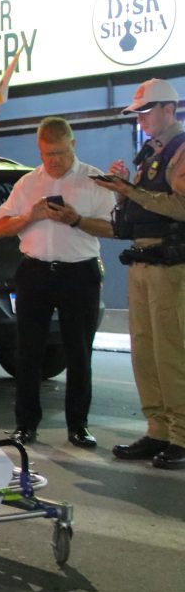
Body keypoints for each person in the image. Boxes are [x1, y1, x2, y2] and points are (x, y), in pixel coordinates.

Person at [0, 117, 115, 448]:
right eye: (48, 154)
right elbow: (1, 227)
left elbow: (113, 228)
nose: (55, 161)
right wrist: (31, 215)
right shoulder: (27, 183)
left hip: (79, 273)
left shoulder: (94, 181)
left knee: (78, 352)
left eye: (61, 153)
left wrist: (76, 219)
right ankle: (26, 424)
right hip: (35, 272)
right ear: (39, 149)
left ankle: (78, 425)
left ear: (73, 145)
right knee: (28, 352)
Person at [94, 78, 185, 470]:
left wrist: (131, 192)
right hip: (145, 261)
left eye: (147, 111)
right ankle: (158, 430)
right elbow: (140, 210)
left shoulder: (181, 149)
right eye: (139, 113)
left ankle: (180, 435)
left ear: (170, 109)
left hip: (170, 266)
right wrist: (121, 189)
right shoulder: (151, 151)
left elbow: (180, 206)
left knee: (170, 352)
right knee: (145, 352)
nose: (142, 119)